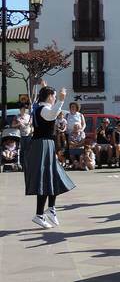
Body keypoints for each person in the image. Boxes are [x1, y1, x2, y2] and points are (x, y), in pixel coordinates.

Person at [25, 86, 75, 229]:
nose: (54, 98)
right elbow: (52, 114)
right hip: (42, 145)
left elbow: (51, 112)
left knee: (54, 176)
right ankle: (39, 214)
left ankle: (51, 208)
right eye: (53, 96)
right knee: (46, 178)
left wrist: (45, 88)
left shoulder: (39, 108)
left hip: (45, 144)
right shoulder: (44, 110)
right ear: (48, 97)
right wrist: (61, 99)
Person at [12, 104, 33, 168]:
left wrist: (31, 131)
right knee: (22, 150)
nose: (24, 110)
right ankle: (22, 165)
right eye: (22, 109)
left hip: (28, 135)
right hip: (20, 136)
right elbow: (12, 125)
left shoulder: (29, 116)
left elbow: (32, 125)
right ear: (20, 110)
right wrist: (18, 124)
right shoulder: (16, 117)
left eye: (25, 109)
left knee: (29, 150)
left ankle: (29, 164)